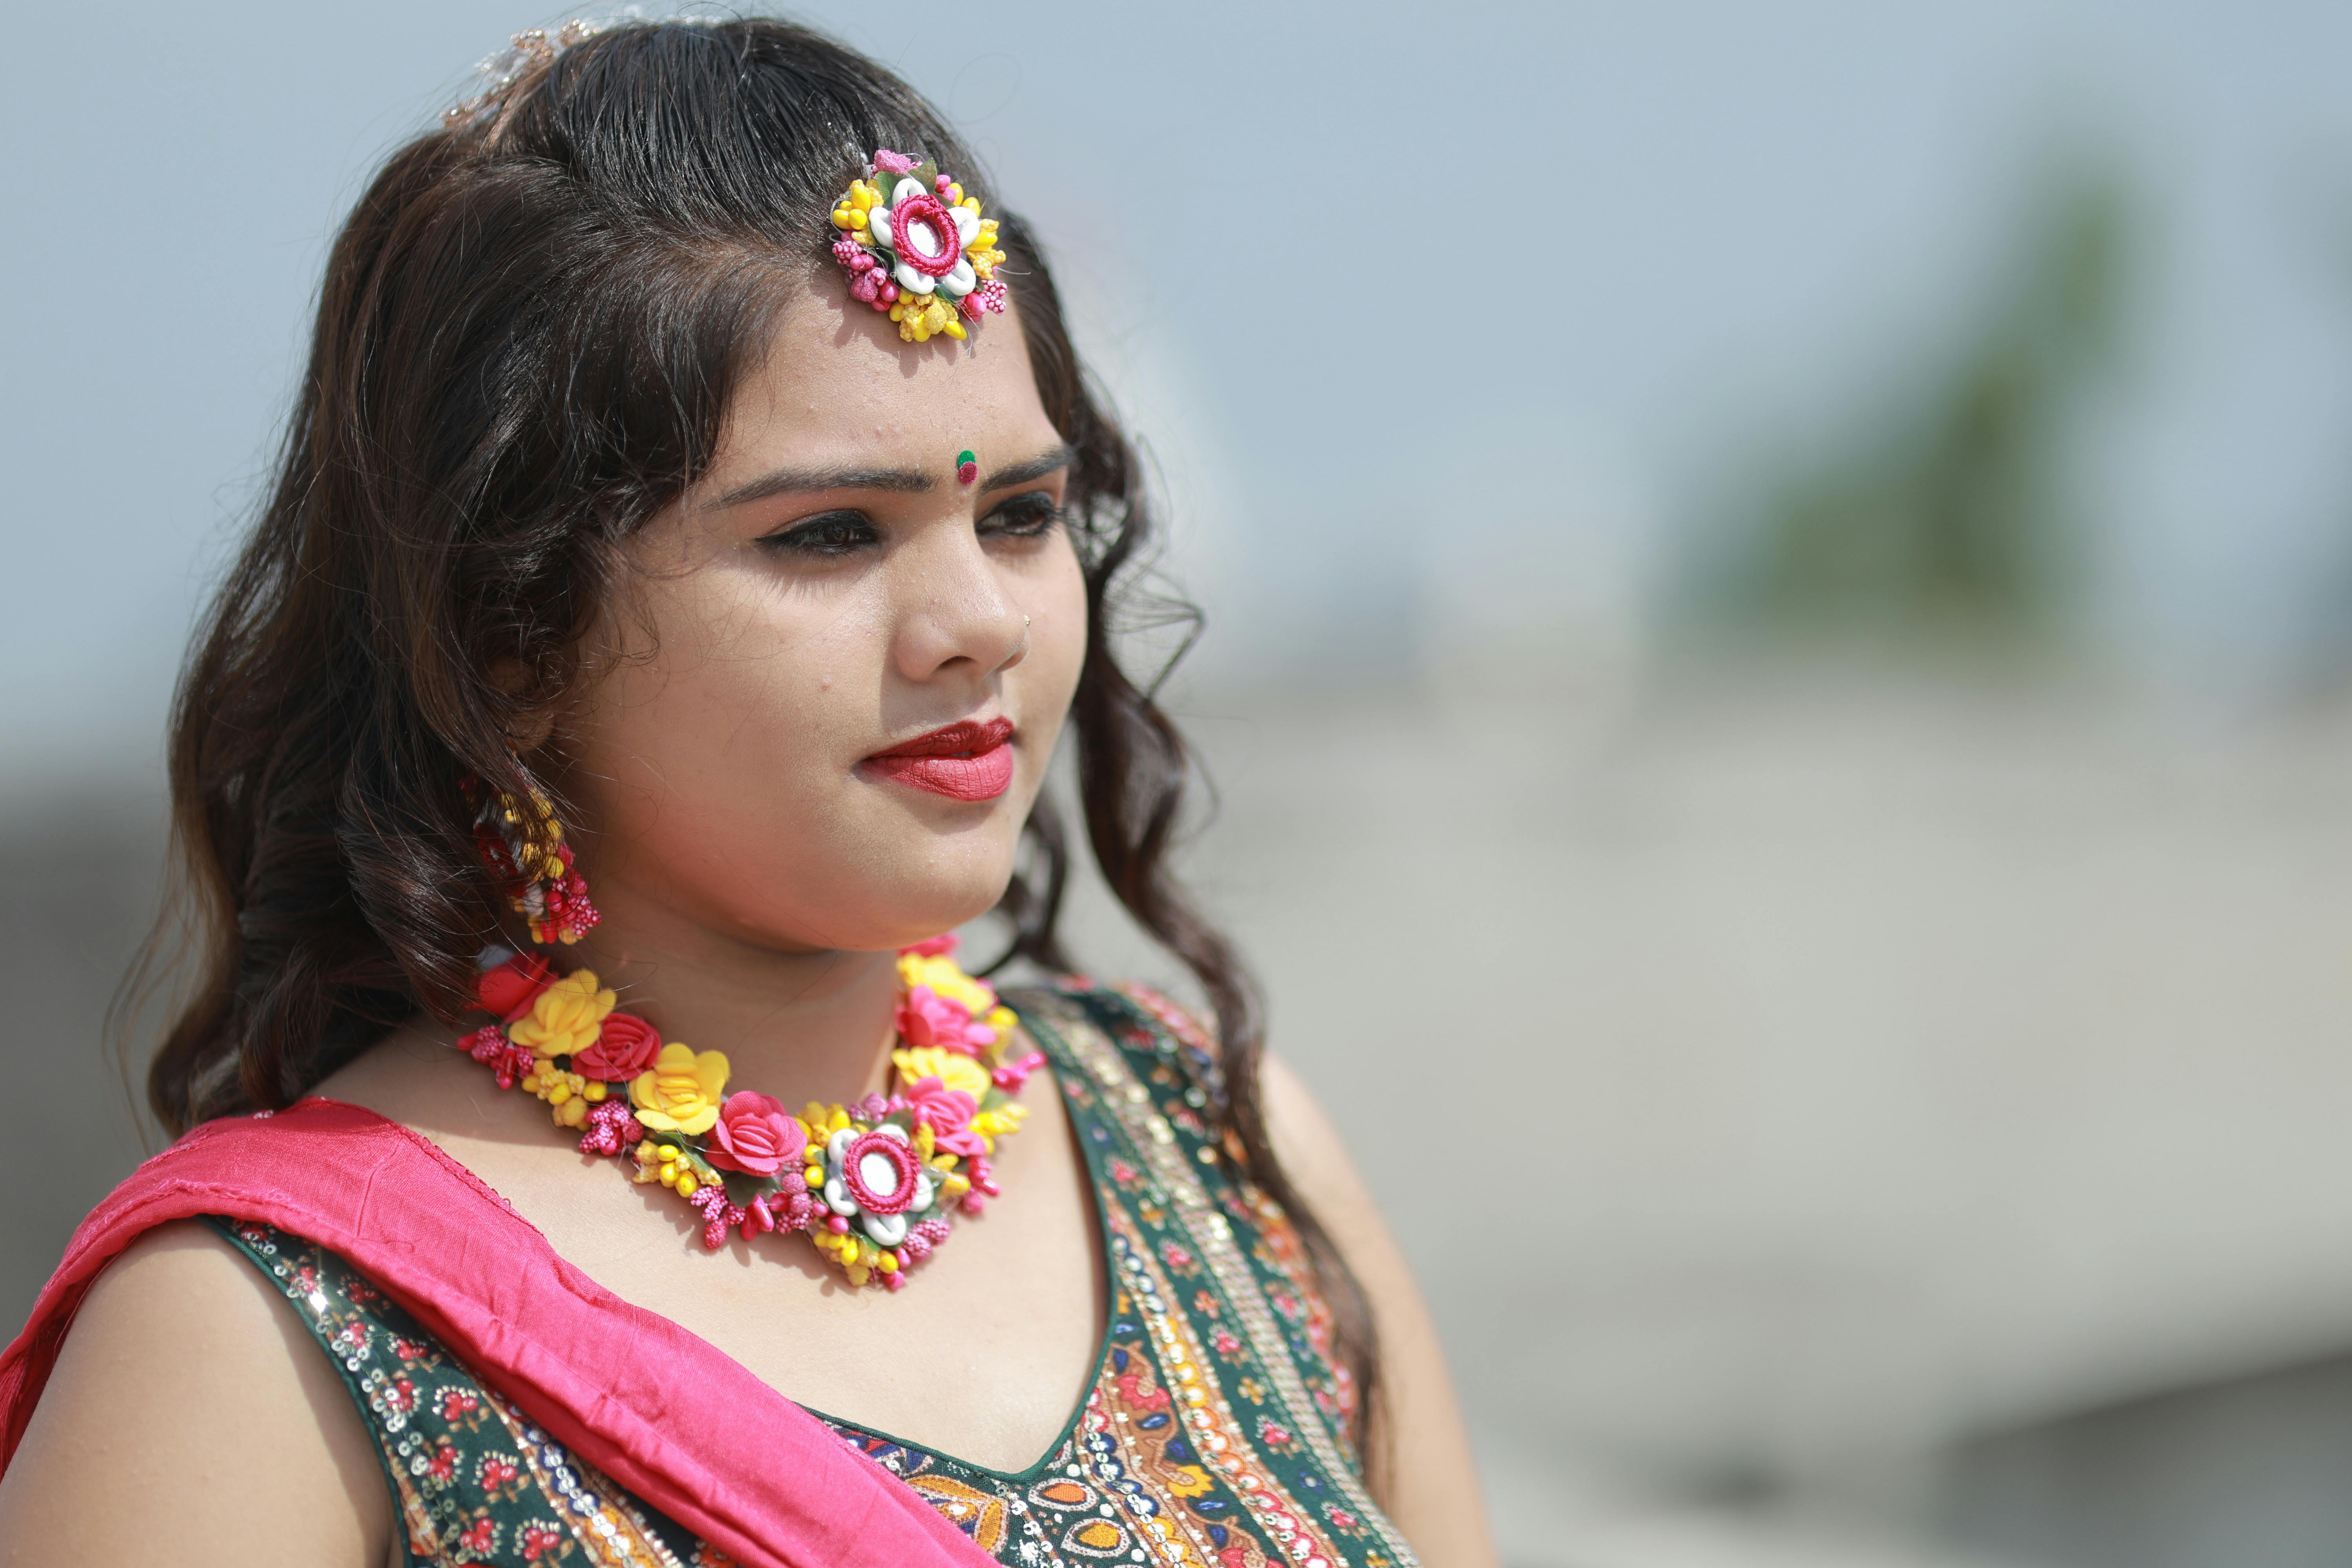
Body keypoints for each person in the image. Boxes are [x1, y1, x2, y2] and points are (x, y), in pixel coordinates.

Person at [0, 18, 1494, 1568]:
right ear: (512, 639)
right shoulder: (267, 1333)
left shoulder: (1212, 1151)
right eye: (829, 534)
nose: (979, 622)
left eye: (1021, 514)